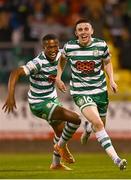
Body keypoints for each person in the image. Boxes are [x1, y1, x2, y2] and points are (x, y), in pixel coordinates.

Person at [55, 19, 127, 170]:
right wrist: (58, 77)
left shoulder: (101, 45)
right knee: (99, 124)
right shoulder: (69, 47)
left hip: (100, 90)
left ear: (92, 31)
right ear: (76, 33)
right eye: (80, 30)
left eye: (86, 29)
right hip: (80, 92)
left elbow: (107, 62)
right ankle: (117, 160)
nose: (83, 32)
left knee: (100, 124)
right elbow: (62, 60)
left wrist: (112, 80)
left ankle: (88, 128)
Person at [2, 34, 81, 171]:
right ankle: (61, 146)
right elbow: (15, 73)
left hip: (51, 99)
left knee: (60, 132)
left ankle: (55, 164)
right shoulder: (37, 63)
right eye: (49, 47)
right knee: (75, 119)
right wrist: (10, 96)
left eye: (55, 46)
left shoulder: (60, 54)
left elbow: (73, 51)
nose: (53, 49)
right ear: (43, 48)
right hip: (39, 104)